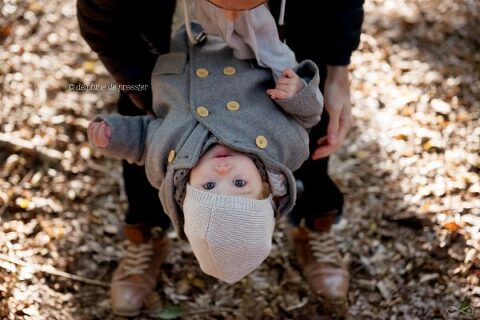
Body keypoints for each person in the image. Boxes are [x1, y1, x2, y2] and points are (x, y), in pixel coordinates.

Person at [77, 0, 364, 316]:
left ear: (185, 190)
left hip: (178, 60)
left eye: (210, 185)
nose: (223, 169)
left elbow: (143, 139)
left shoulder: (171, 159)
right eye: (239, 182)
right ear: (269, 185)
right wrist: (298, 92)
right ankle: (149, 231)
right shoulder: (284, 146)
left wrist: (119, 130)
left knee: (139, 98)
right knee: (316, 116)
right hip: (260, 62)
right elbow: (309, 117)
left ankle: (145, 229)